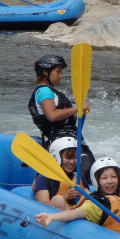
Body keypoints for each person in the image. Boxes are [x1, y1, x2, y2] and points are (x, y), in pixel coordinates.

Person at [35, 136, 120, 239]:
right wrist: (52, 216)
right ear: (97, 181)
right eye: (104, 178)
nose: (110, 181)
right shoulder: (96, 204)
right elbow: (74, 214)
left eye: (113, 177)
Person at [28, 53, 95, 183]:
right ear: (45, 72)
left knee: (88, 169)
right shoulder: (44, 91)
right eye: (58, 72)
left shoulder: (49, 91)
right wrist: (77, 108)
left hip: (68, 138)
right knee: (86, 168)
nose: (61, 76)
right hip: (61, 140)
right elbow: (52, 116)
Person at [34, 137, 87, 210]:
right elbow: (44, 205)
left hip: (77, 212)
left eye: (75, 157)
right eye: (68, 157)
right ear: (56, 157)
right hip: (58, 212)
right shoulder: (43, 178)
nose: (72, 162)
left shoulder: (78, 176)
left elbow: (88, 195)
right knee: (59, 199)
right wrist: (66, 195)